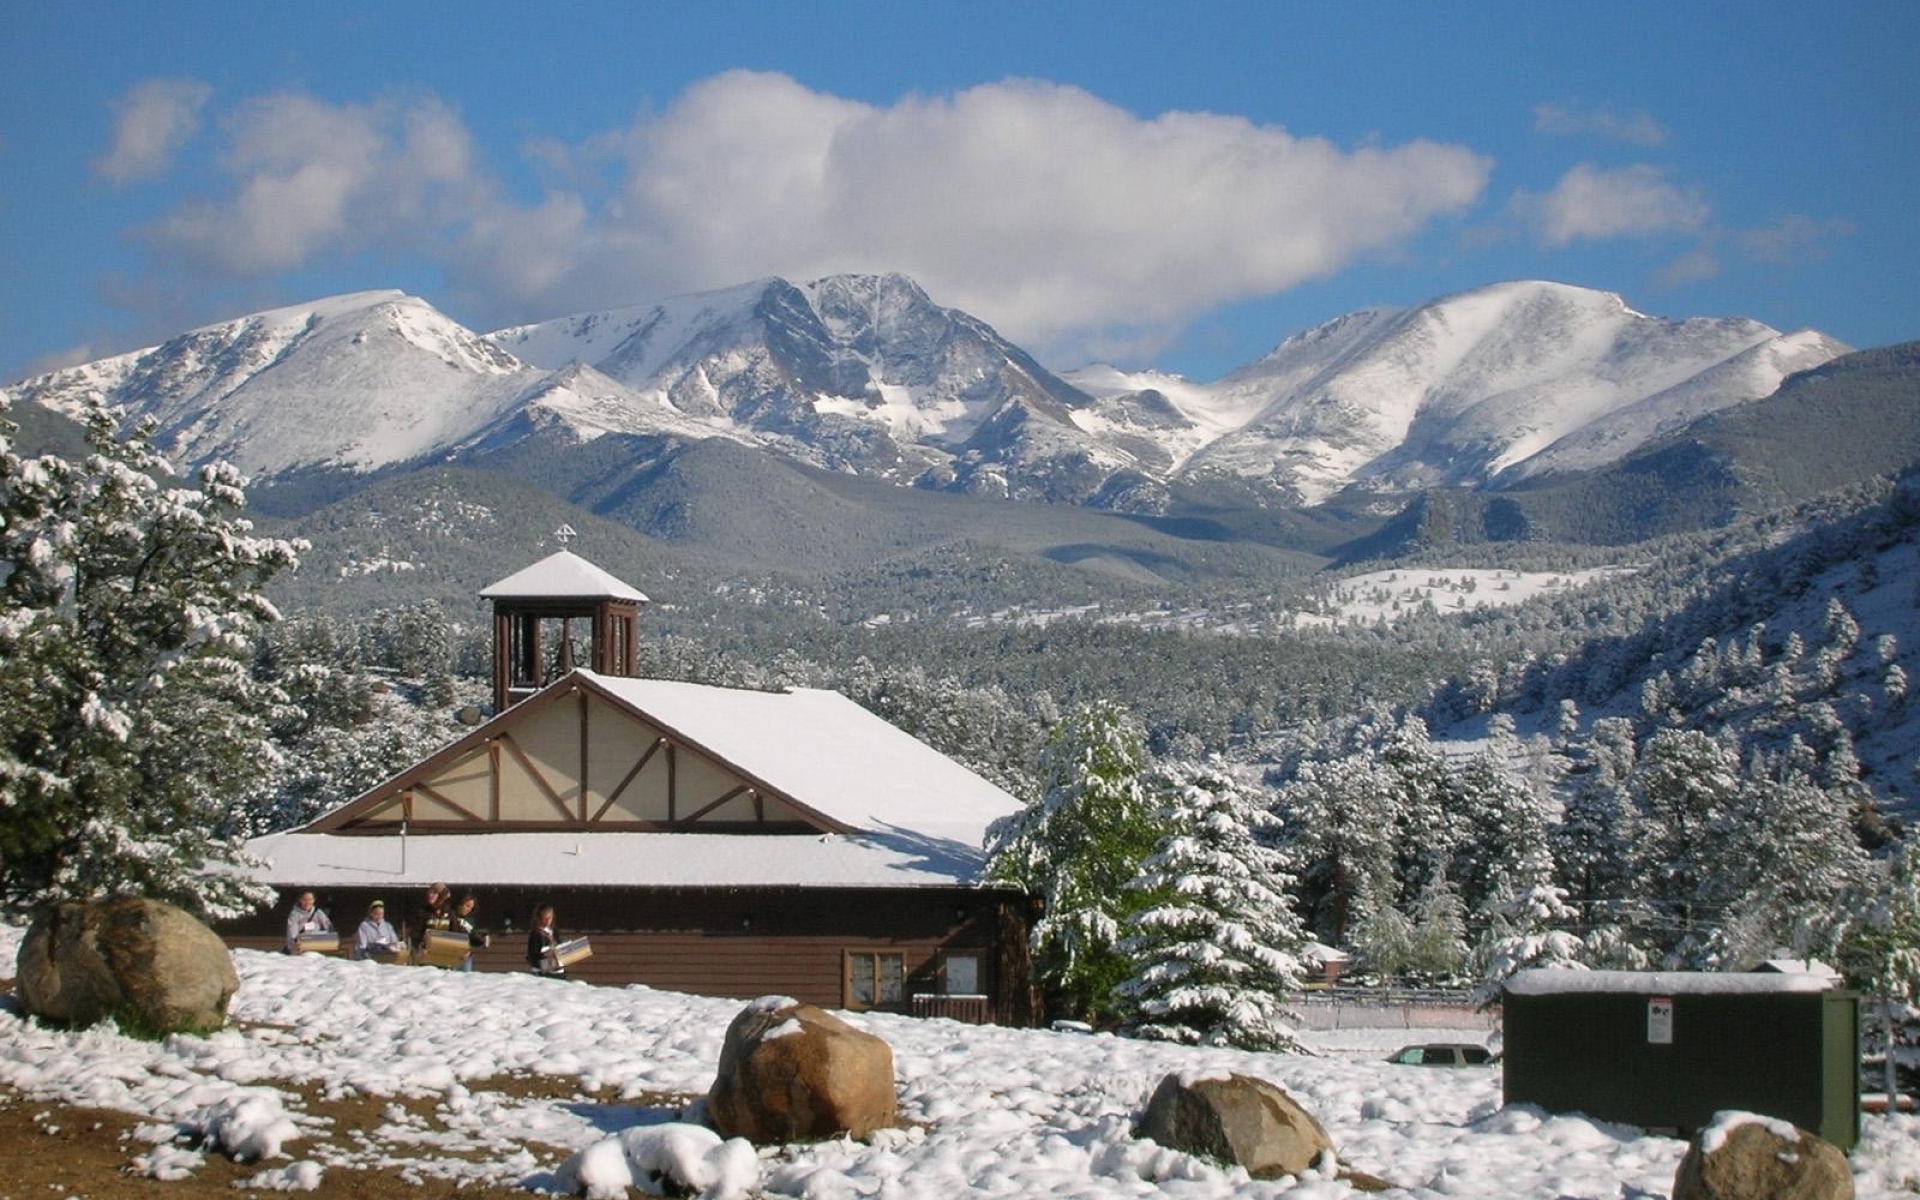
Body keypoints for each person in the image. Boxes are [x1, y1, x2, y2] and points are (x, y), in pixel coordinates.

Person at [413, 881, 452, 964]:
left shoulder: (450, 913)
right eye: (429, 892)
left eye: (434, 893)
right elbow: (416, 933)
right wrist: (419, 946)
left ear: (441, 896)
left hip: (445, 955)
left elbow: (456, 932)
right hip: (427, 955)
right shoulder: (423, 912)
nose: (430, 895)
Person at [450, 892, 486, 972]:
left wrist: (480, 940)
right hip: (450, 954)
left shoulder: (470, 920)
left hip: (465, 956)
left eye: (470, 907)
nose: (466, 909)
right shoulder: (450, 915)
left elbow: (471, 936)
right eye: (466, 905)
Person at [526, 904, 563, 976]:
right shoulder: (536, 934)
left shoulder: (554, 932)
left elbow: (559, 946)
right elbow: (532, 956)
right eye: (545, 918)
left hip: (558, 971)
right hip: (543, 972)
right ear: (539, 918)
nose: (547, 921)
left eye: (549, 918)